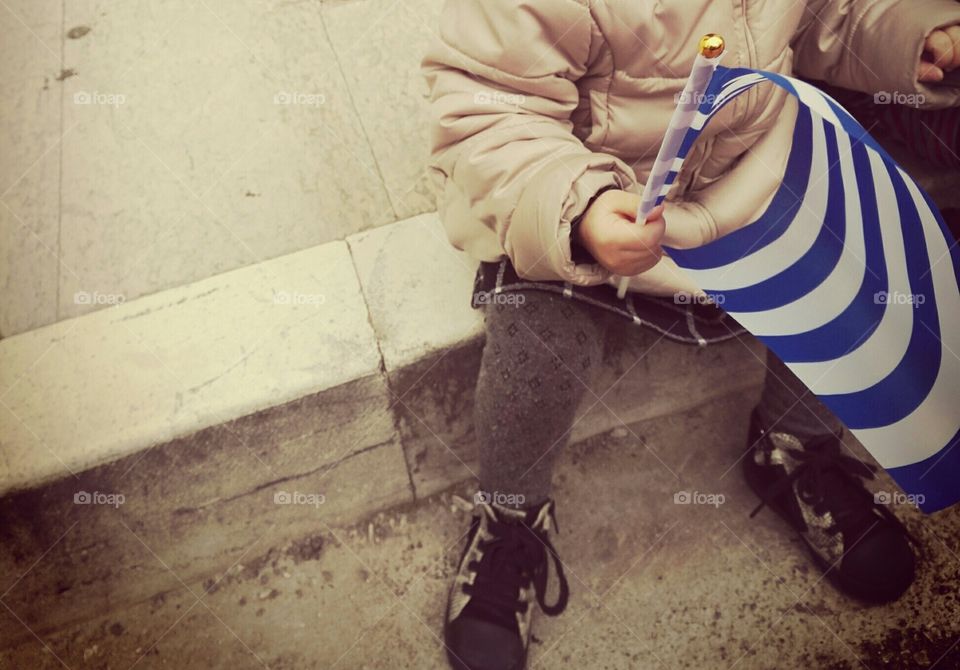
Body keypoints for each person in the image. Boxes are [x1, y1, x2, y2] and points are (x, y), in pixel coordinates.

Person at [421, 3, 960, 668]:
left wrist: (908, 37)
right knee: (539, 335)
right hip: (596, 198)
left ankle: (792, 451)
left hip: (745, 176)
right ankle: (509, 516)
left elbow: (831, 14)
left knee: (851, 263)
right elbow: (491, 106)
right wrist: (578, 208)